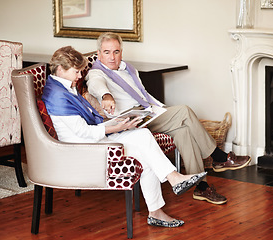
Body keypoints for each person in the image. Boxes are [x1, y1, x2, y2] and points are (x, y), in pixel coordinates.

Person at [42, 46, 207, 228]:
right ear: (61, 70)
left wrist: (117, 123)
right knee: (144, 153)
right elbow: (84, 133)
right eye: (76, 72)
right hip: (83, 147)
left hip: (92, 138)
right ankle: (164, 197)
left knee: (144, 137)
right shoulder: (57, 95)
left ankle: (166, 193)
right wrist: (116, 127)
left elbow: (88, 128)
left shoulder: (65, 87)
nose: (80, 77)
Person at [86, 32, 252, 205]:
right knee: (184, 111)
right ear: (99, 54)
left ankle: (201, 187)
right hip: (132, 121)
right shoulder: (97, 73)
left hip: (149, 113)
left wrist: (159, 109)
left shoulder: (128, 68)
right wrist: (106, 95)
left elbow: (143, 94)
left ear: (121, 51)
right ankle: (218, 156)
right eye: (106, 52)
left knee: (184, 131)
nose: (112, 57)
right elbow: (97, 85)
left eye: (116, 52)